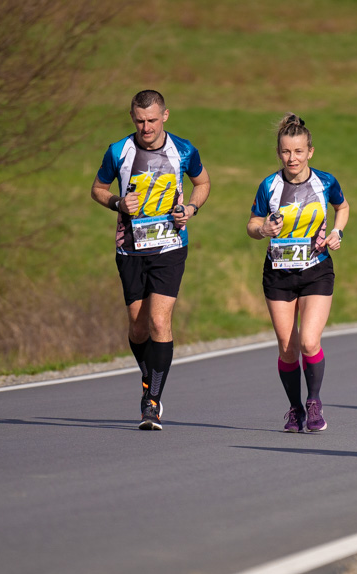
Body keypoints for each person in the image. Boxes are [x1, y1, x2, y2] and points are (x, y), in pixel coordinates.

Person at [90, 90, 210, 430]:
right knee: (137, 325)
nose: (147, 127)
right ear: (133, 118)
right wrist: (116, 203)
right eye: (141, 121)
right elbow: (97, 188)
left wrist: (190, 208)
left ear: (165, 116)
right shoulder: (119, 151)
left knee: (159, 322)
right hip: (129, 249)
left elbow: (202, 182)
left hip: (170, 245)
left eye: (153, 120)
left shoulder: (183, 150)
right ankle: (149, 377)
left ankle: (152, 402)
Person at [247, 113, 349, 433]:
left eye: (299, 151)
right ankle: (294, 409)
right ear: (279, 153)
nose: (293, 158)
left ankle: (314, 402)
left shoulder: (325, 182)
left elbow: (342, 207)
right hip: (278, 274)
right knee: (287, 347)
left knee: (308, 341)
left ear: (310, 152)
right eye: (287, 152)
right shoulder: (269, 186)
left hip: (316, 270)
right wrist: (263, 229)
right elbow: (251, 224)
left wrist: (338, 232)